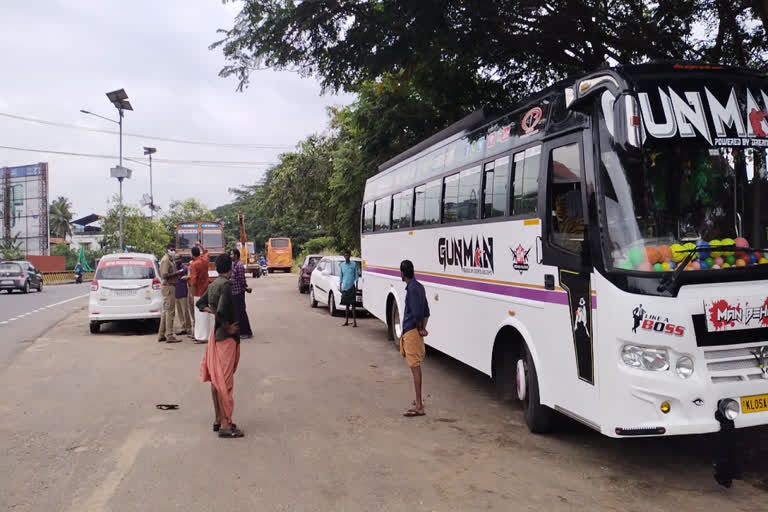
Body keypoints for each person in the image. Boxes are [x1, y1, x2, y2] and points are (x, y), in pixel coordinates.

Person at [197, 254, 244, 438]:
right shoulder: (225, 285)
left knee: (216, 378)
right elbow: (224, 310)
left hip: (215, 337)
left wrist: (213, 312)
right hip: (225, 337)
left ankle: (218, 419)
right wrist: (226, 325)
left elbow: (201, 304)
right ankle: (225, 424)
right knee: (225, 381)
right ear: (230, 267)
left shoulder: (214, 284)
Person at [399, 259, 430, 417]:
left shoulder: (412, 289)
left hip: (411, 331)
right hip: (414, 331)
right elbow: (426, 312)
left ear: (402, 273)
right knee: (415, 366)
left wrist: (418, 329)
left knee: (415, 368)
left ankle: (419, 405)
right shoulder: (420, 287)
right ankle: (418, 401)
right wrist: (423, 328)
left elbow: (418, 313)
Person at [158, 243, 182, 343]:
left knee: (166, 312)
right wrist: (177, 273)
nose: (173, 251)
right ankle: (169, 335)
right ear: (168, 250)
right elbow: (164, 275)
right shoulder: (166, 260)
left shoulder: (169, 259)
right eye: (172, 249)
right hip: (168, 287)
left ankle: (162, 334)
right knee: (170, 312)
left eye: (174, 249)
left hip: (169, 287)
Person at [189, 242, 212, 343]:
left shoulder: (194, 264)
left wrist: (189, 283)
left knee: (199, 314)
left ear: (192, 255)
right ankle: (205, 335)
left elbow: (193, 281)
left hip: (197, 292)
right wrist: (200, 245)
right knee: (205, 314)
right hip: (206, 290)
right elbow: (206, 252)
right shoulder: (205, 260)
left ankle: (200, 336)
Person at [230, 248, 253, 339]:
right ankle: (241, 331)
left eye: (231, 254)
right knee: (237, 313)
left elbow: (241, 279)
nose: (230, 256)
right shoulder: (234, 265)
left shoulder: (239, 265)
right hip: (234, 292)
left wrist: (245, 288)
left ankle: (246, 332)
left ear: (236, 255)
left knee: (241, 312)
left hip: (238, 292)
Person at [338, 250, 358, 327]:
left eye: (348, 255)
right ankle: (346, 321)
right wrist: (340, 285)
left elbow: (356, 275)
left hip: (351, 287)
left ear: (350, 256)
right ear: (344, 256)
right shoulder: (342, 265)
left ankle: (355, 322)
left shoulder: (353, 265)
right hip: (345, 287)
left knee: (353, 305)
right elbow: (341, 276)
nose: (346, 257)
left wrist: (356, 285)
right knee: (346, 306)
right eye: (345, 255)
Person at [174, 261, 192, 336]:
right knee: (179, 312)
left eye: (178, 259)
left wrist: (186, 277)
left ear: (181, 259)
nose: (176, 260)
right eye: (176, 259)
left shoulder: (185, 268)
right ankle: (183, 327)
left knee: (185, 311)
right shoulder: (174, 267)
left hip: (183, 292)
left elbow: (189, 275)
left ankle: (188, 327)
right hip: (176, 292)